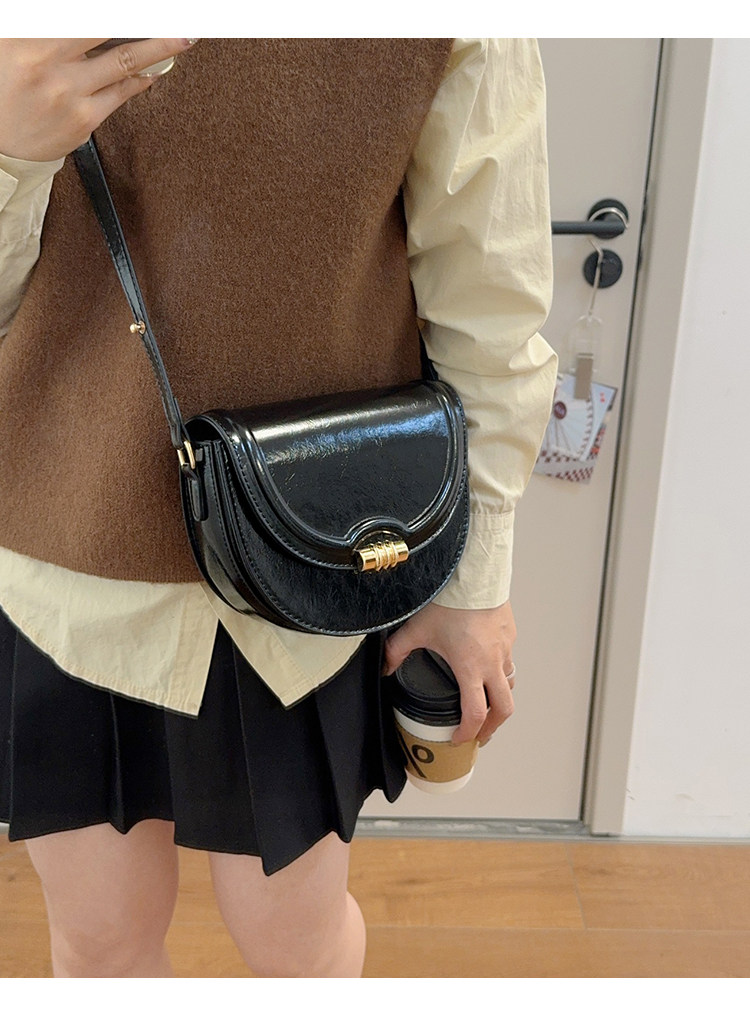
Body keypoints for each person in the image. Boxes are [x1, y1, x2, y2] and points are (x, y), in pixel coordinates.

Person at [0, 38, 557, 977]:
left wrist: (473, 583)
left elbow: (489, 307)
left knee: (297, 943)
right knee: (100, 942)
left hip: (315, 566)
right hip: (62, 560)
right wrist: (11, 149)